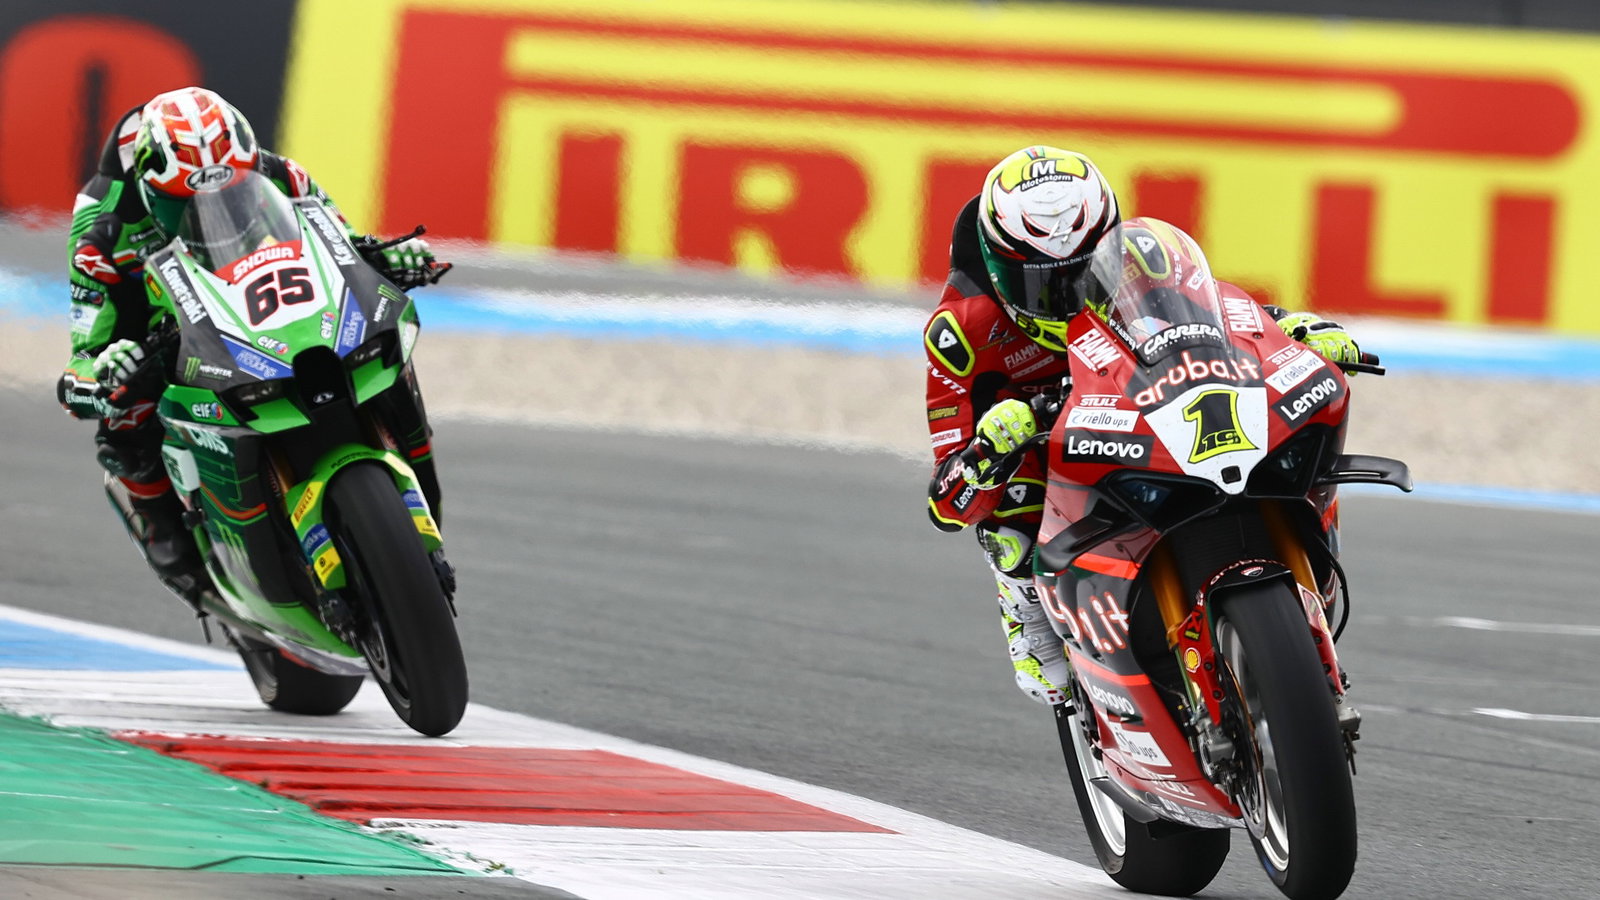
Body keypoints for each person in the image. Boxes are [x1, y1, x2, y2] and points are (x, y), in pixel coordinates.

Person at [924, 145, 1359, 706]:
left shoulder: (1143, 259)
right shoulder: (961, 333)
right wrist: (989, 447)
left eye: (1082, 273)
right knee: (1011, 510)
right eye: (1041, 283)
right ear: (999, 264)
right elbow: (946, 502)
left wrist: (1293, 327)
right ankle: (1024, 604)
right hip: (1052, 440)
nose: (1064, 298)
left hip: (1139, 400)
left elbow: (1223, 315)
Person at [54, 86, 441, 597]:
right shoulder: (101, 232)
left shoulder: (280, 175)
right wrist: (104, 367)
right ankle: (159, 522)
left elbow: (344, 251)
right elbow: (83, 356)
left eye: (236, 184)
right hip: (154, 317)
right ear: (151, 190)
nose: (208, 208)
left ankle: (408, 453)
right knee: (124, 408)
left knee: (378, 325)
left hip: (259, 299)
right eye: (183, 202)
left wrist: (390, 260)